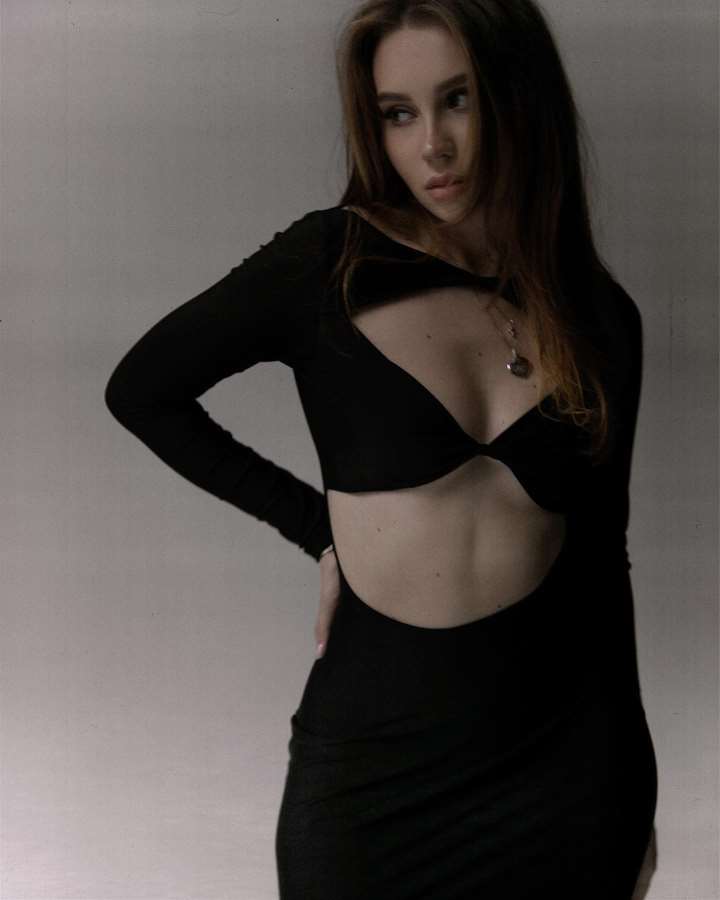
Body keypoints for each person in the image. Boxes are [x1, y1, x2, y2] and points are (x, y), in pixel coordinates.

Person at [104, 0, 658, 896]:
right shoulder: (329, 263)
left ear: (521, 97)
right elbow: (143, 392)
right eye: (398, 113)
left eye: (458, 100)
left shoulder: (599, 315)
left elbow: (603, 562)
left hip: (562, 777)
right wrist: (318, 533)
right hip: (373, 778)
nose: (432, 145)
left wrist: (632, 798)